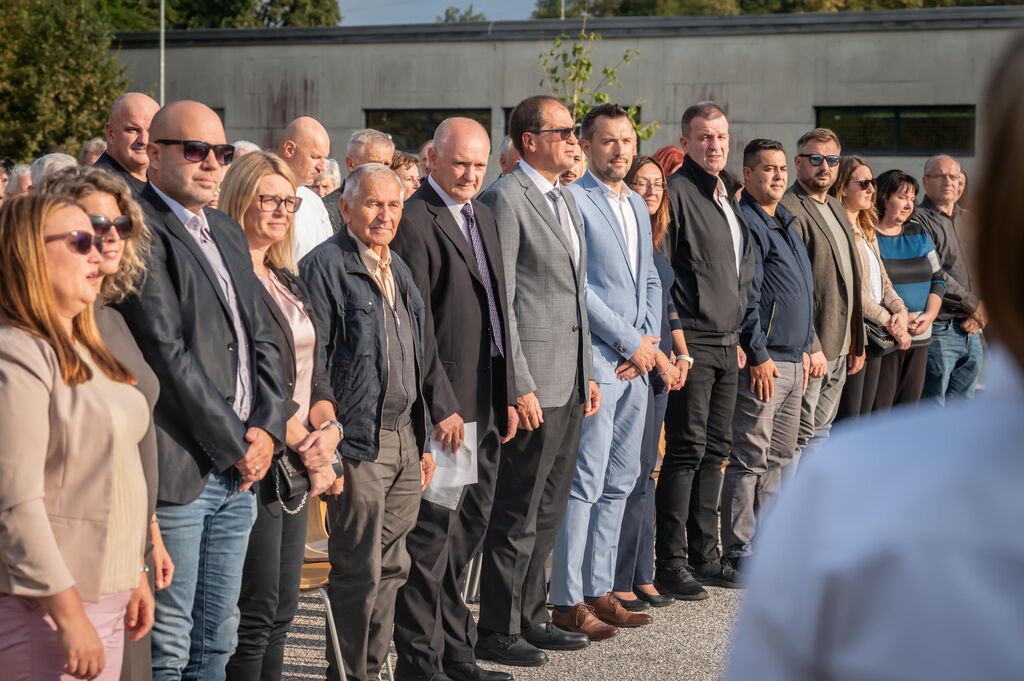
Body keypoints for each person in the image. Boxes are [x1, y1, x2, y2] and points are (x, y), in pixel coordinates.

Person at [725, 36, 1024, 681]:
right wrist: (878, 324)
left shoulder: (855, 489)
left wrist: (893, 316)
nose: (837, 174)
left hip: (850, 344)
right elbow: (814, 287)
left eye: (839, 164)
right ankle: (735, 543)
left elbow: (882, 281)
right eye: (822, 162)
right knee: (779, 448)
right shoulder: (849, 489)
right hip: (816, 348)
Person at [115, 100, 289, 681]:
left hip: (241, 471)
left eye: (222, 152)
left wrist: (267, 429)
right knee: (170, 647)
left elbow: (263, 337)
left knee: (219, 639)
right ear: (153, 153)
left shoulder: (226, 232)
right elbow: (166, 353)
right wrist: (237, 443)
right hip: (182, 469)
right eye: (196, 150)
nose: (212, 163)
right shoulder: (139, 229)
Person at [0, 194, 153, 681]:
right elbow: (15, 503)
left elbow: (116, 469)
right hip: (44, 605)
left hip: (105, 593)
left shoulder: (85, 344)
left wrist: (134, 570)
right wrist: (67, 615)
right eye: (80, 241)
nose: (98, 251)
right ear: (28, 252)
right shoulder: (16, 352)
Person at [301, 163, 445, 681]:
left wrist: (422, 440)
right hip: (359, 441)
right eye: (373, 204)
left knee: (393, 566)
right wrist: (332, 446)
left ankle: (370, 665)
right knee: (358, 569)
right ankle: (346, 674)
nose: (386, 215)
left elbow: (419, 356)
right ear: (345, 207)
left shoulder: (397, 266)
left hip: (405, 438)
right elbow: (315, 364)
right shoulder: (324, 266)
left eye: (394, 204)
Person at [391, 117, 518, 681]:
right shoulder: (415, 219)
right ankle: (421, 664)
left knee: (467, 532)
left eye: (478, 164)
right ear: (431, 160)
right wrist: (441, 406)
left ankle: (457, 651)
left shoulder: (482, 215)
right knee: (431, 541)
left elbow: (498, 313)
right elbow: (417, 328)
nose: (470, 174)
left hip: (485, 405)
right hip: (446, 414)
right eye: (460, 163)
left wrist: (508, 392)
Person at [475, 95, 600, 667]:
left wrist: (587, 371)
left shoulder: (564, 197)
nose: (575, 139)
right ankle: (498, 629)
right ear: (530, 140)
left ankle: (532, 616)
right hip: (533, 386)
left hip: (569, 381)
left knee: (549, 510)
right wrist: (518, 382)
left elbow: (575, 296)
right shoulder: (505, 199)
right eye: (564, 131)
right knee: (517, 511)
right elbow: (500, 303)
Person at [216, 151, 340, 681]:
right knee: (256, 611)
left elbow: (318, 369)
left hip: (300, 457)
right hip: (260, 458)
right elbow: (251, 377)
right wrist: (312, 448)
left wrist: (328, 427)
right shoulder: (228, 280)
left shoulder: (287, 277)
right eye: (268, 199)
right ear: (240, 200)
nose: (281, 211)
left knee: (285, 607)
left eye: (289, 202)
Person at [40, 166, 167, 681]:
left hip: (126, 550)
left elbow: (129, 440)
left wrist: (146, 540)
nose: (111, 237)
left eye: (121, 225)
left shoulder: (109, 317)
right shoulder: (37, 335)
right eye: (95, 225)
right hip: (72, 567)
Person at [550, 103, 661, 640]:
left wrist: (649, 343)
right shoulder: (573, 200)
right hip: (598, 359)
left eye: (628, 140)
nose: (621, 150)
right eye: (609, 140)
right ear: (587, 145)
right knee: (586, 481)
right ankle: (566, 599)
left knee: (622, 479)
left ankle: (600, 589)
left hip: (636, 363)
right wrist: (629, 342)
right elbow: (579, 288)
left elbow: (651, 280)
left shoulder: (638, 203)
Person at [655, 101, 754, 599]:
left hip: (726, 343)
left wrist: (739, 337)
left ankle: (705, 556)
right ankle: (671, 561)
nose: (714, 144)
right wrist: (677, 345)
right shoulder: (675, 194)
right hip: (692, 342)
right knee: (686, 451)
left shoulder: (725, 195)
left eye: (721, 136)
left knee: (716, 451)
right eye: (704, 136)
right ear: (686, 141)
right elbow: (663, 275)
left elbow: (739, 273)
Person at [719, 140, 813, 577]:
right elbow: (749, 297)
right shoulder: (750, 223)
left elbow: (803, 295)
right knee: (750, 456)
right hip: (767, 360)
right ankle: (739, 549)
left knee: (781, 457)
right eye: (768, 169)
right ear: (749, 174)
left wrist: (808, 347)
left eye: (781, 169)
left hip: (795, 358)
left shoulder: (786, 221)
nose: (777, 175)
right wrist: (757, 352)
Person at [613, 155, 688, 613]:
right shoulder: (626, 238)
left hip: (662, 365)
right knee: (633, 473)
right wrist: (661, 359)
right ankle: (622, 577)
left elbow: (668, 306)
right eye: (641, 183)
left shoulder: (654, 240)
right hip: (638, 363)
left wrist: (682, 352)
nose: (651, 191)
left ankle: (643, 570)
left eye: (657, 183)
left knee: (646, 471)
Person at [779, 128, 865, 465]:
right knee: (799, 435)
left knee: (822, 432)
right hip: (813, 346)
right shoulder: (789, 208)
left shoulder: (836, 206)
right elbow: (792, 286)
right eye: (815, 159)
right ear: (798, 162)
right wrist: (810, 344)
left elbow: (850, 278)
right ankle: (793, 498)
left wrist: (857, 340)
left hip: (841, 343)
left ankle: (810, 495)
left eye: (831, 160)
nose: (824, 166)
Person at [830, 157, 910, 420]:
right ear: (843, 188)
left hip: (875, 334)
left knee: (865, 417)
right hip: (855, 334)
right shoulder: (839, 231)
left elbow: (883, 280)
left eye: (872, 182)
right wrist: (891, 322)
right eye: (863, 183)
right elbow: (852, 291)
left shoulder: (866, 227)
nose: (871, 189)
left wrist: (899, 309)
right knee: (849, 418)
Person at [871, 170, 946, 410]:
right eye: (902, 197)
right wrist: (897, 320)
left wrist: (929, 316)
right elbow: (870, 289)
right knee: (880, 412)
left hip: (920, 335)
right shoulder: (868, 236)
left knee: (908, 411)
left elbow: (939, 279)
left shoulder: (918, 232)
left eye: (912, 199)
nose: (909, 204)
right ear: (884, 197)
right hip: (884, 338)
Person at [917, 155, 985, 404]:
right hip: (940, 331)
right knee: (932, 409)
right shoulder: (917, 220)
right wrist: (974, 305)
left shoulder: (970, 220)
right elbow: (934, 272)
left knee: (963, 411)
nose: (948, 181)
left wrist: (980, 311)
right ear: (925, 181)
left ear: (961, 182)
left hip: (972, 330)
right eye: (940, 176)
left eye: (953, 176)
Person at [277, 117, 333, 261]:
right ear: (289, 150)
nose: (321, 166)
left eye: (324, 158)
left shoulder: (315, 202)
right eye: (315, 157)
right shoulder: (260, 198)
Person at [323, 128, 395, 232]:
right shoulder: (326, 211)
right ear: (351, 164)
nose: (382, 170)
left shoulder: (395, 207)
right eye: (375, 164)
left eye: (387, 164)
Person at [95, 93, 161, 195]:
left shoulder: (162, 182)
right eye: (132, 130)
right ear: (111, 133)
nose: (143, 140)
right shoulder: (99, 187)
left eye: (151, 130)